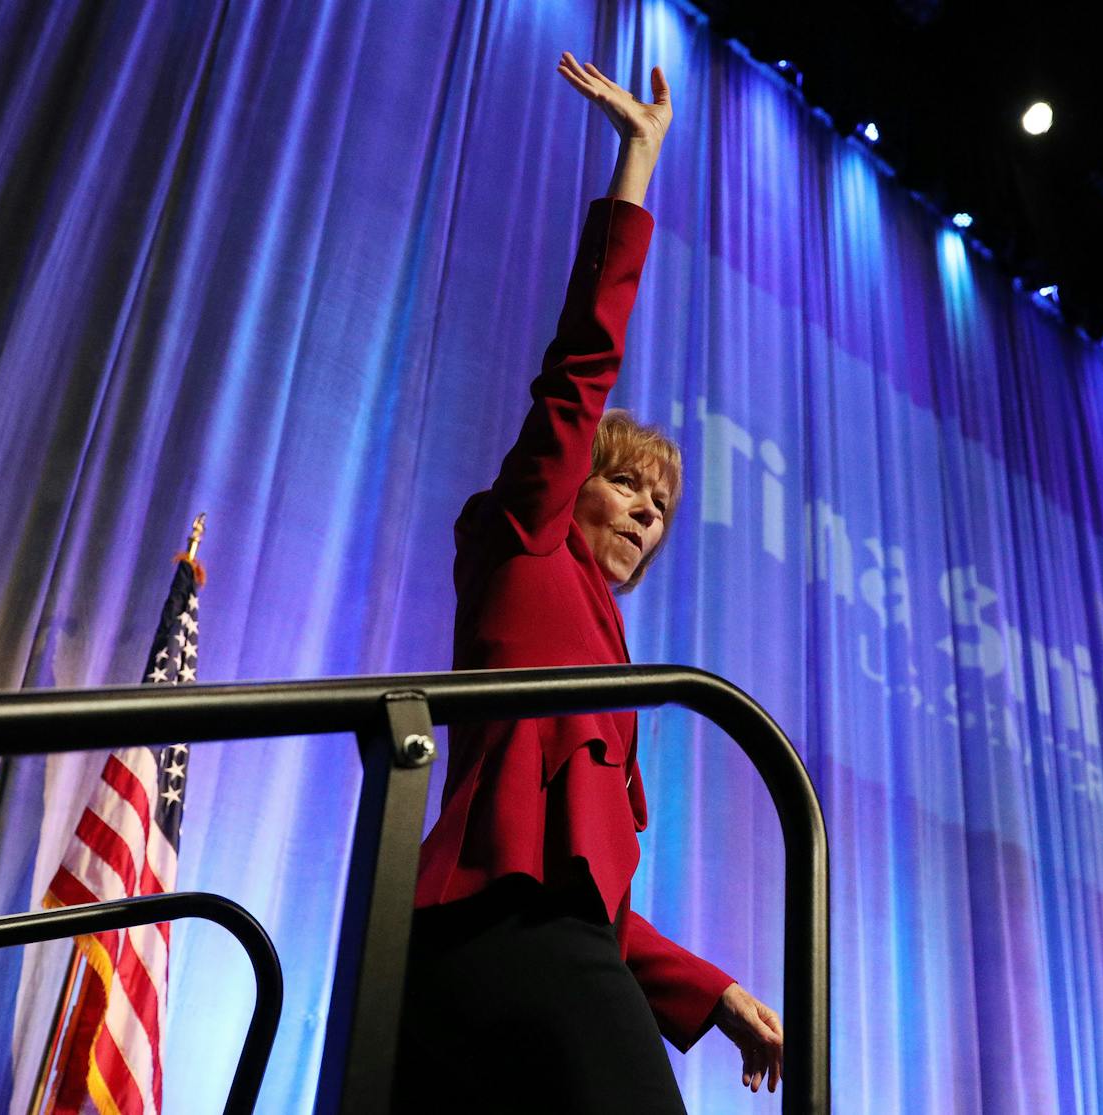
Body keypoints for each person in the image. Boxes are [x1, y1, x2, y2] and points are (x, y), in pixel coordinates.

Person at [393, 54, 784, 1113]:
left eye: (660, 504)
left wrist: (717, 991)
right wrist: (636, 168)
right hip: (489, 945)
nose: (647, 510)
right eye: (624, 483)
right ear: (572, 487)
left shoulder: (612, 659)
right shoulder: (519, 538)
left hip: (513, 955)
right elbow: (580, 365)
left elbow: (588, 902)